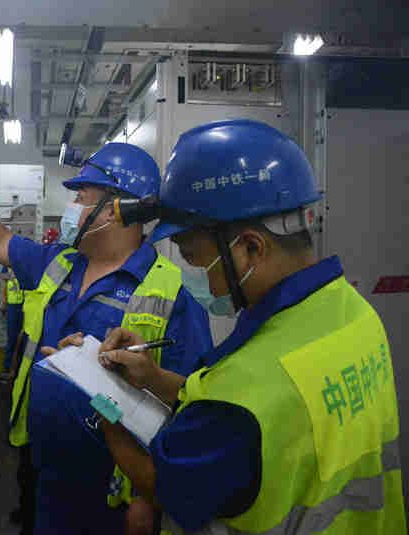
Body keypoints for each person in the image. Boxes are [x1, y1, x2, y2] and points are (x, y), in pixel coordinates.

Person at [96, 119, 406, 534]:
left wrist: (107, 412)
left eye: (193, 259)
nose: (195, 277)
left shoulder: (244, 395)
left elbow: (165, 486)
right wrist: (153, 378)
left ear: (250, 247)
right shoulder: (354, 312)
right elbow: (273, 413)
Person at [0, 142, 213, 534]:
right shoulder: (58, 262)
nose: (71, 206)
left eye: (81, 196)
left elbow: (188, 404)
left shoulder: (171, 296)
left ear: (118, 209)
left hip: (113, 484)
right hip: (42, 466)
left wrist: (146, 498)